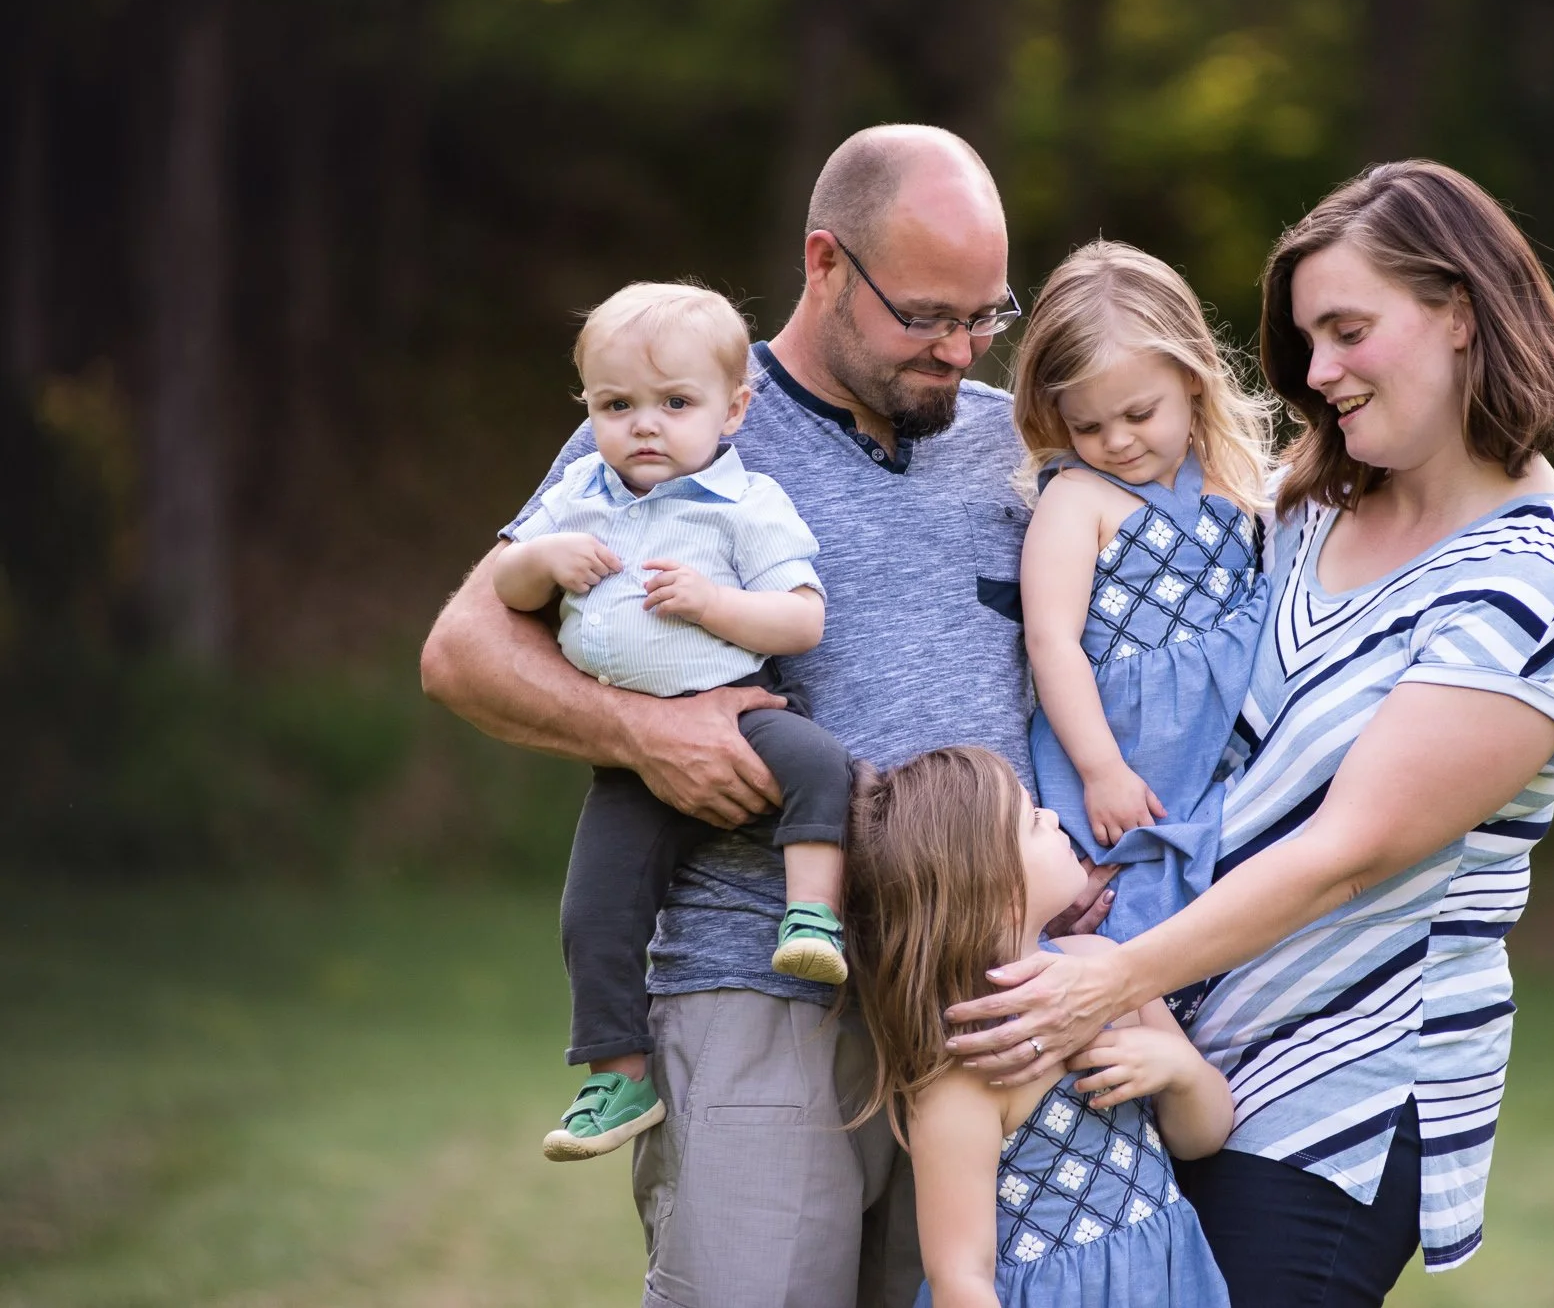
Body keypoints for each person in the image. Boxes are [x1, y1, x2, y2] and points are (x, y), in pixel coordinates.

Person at [422, 125, 1102, 1308]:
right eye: (925, 315)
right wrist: (642, 732)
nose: (958, 350)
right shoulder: (664, 426)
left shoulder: (1014, 442)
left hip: (976, 999)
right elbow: (462, 650)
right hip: (756, 976)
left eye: (983, 314)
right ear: (825, 264)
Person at [942, 161, 1554, 1307]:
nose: (1317, 372)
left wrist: (1102, 983)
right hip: (1176, 1059)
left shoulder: (1532, 577)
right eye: (1306, 340)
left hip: (1332, 1091)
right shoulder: (1307, 504)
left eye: (1348, 330)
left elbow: (1348, 849)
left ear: (1458, 313)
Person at [491, 281, 856, 1163]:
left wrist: (714, 604)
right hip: (630, 756)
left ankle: (811, 919)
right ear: (588, 409)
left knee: (823, 769)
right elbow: (506, 593)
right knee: (593, 910)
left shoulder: (746, 502)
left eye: (675, 403)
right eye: (617, 405)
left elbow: (802, 619)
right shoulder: (579, 491)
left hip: (741, 711)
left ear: (733, 410)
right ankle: (619, 1075)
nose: (644, 425)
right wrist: (542, 560)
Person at [842, 745, 1234, 1308]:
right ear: (996, 891)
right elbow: (960, 1278)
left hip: (1168, 1282)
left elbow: (1204, 1137)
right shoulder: (964, 1073)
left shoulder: (1105, 967)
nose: (1053, 815)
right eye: (1031, 820)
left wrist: (1182, 1074)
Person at [1013, 242, 1273, 944]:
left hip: (1226, 754)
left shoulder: (1233, 478)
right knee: (1119, 925)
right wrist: (1101, 770)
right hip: (1127, 758)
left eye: (1138, 413)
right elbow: (1051, 641)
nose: (1117, 441)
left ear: (1193, 377)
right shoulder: (1077, 499)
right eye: (1088, 425)